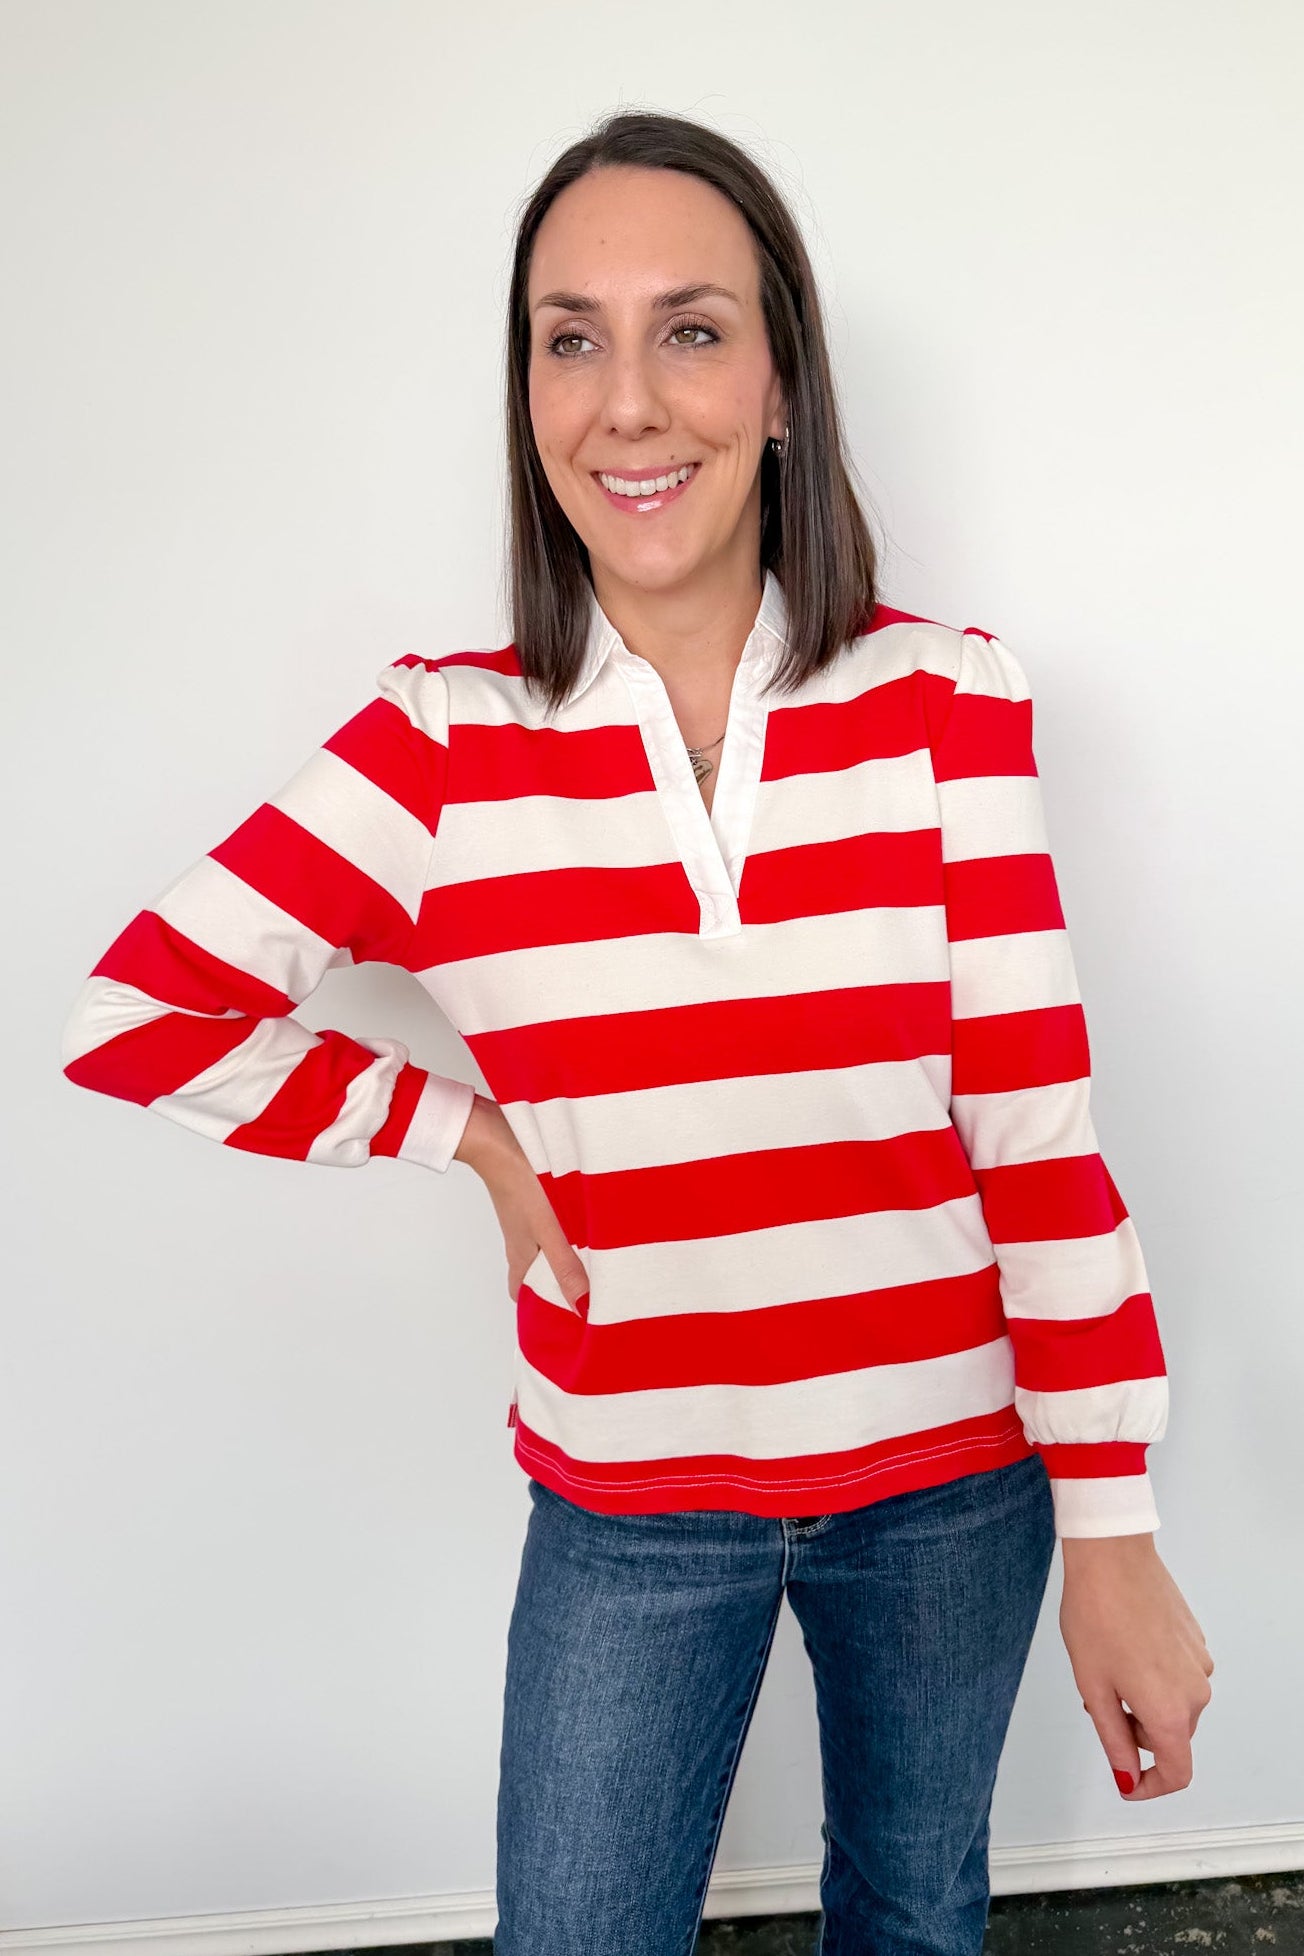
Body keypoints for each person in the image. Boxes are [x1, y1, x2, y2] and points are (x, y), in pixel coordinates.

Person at [60, 107, 1213, 1956]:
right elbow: (144, 1008)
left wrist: (1116, 1535)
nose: (624, 400)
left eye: (690, 328)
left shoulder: (950, 706)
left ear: (780, 383)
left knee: (915, 1911)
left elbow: (1039, 1141)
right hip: (632, 1497)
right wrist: (472, 1137)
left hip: (952, 1477)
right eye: (567, 335)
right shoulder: (437, 746)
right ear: (526, 392)